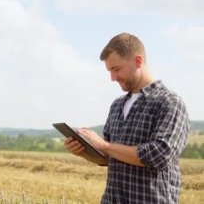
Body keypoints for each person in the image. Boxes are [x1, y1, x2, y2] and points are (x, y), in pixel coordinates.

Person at [64, 32, 189, 203]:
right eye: (110, 71)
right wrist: (84, 151)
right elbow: (107, 157)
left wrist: (103, 145)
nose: (113, 78)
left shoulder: (169, 102)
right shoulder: (117, 105)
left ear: (138, 61)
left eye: (116, 69)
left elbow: (158, 155)